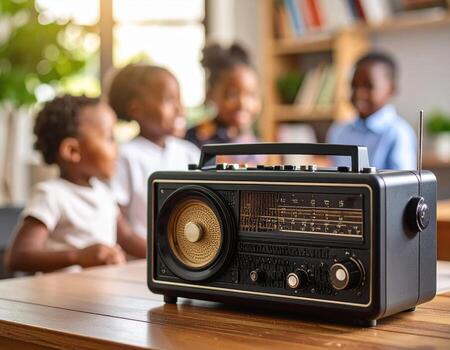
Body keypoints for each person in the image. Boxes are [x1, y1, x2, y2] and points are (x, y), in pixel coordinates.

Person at [5, 95, 146, 273]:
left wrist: (164, 255)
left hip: (100, 295)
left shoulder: (104, 193)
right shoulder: (51, 195)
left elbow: (126, 237)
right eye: (110, 138)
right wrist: (78, 257)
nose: (117, 147)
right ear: (72, 151)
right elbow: (18, 257)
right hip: (61, 298)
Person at [108, 64, 200, 238]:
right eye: (169, 100)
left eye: (179, 99)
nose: (180, 108)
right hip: (141, 259)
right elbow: (115, 220)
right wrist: (154, 254)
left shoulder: (190, 153)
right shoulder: (126, 156)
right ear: (136, 110)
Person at [327, 52, 416, 170]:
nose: (359, 93)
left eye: (368, 86)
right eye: (354, 86)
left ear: (391, 89)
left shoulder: (399, 133)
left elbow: (404, 185)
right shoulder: (338, 131)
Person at [185, 43, 262, 164]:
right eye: (232, 94)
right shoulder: (194, 140)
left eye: (251, 95)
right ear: (210, 94)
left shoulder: (259, 146)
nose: (243, 104)